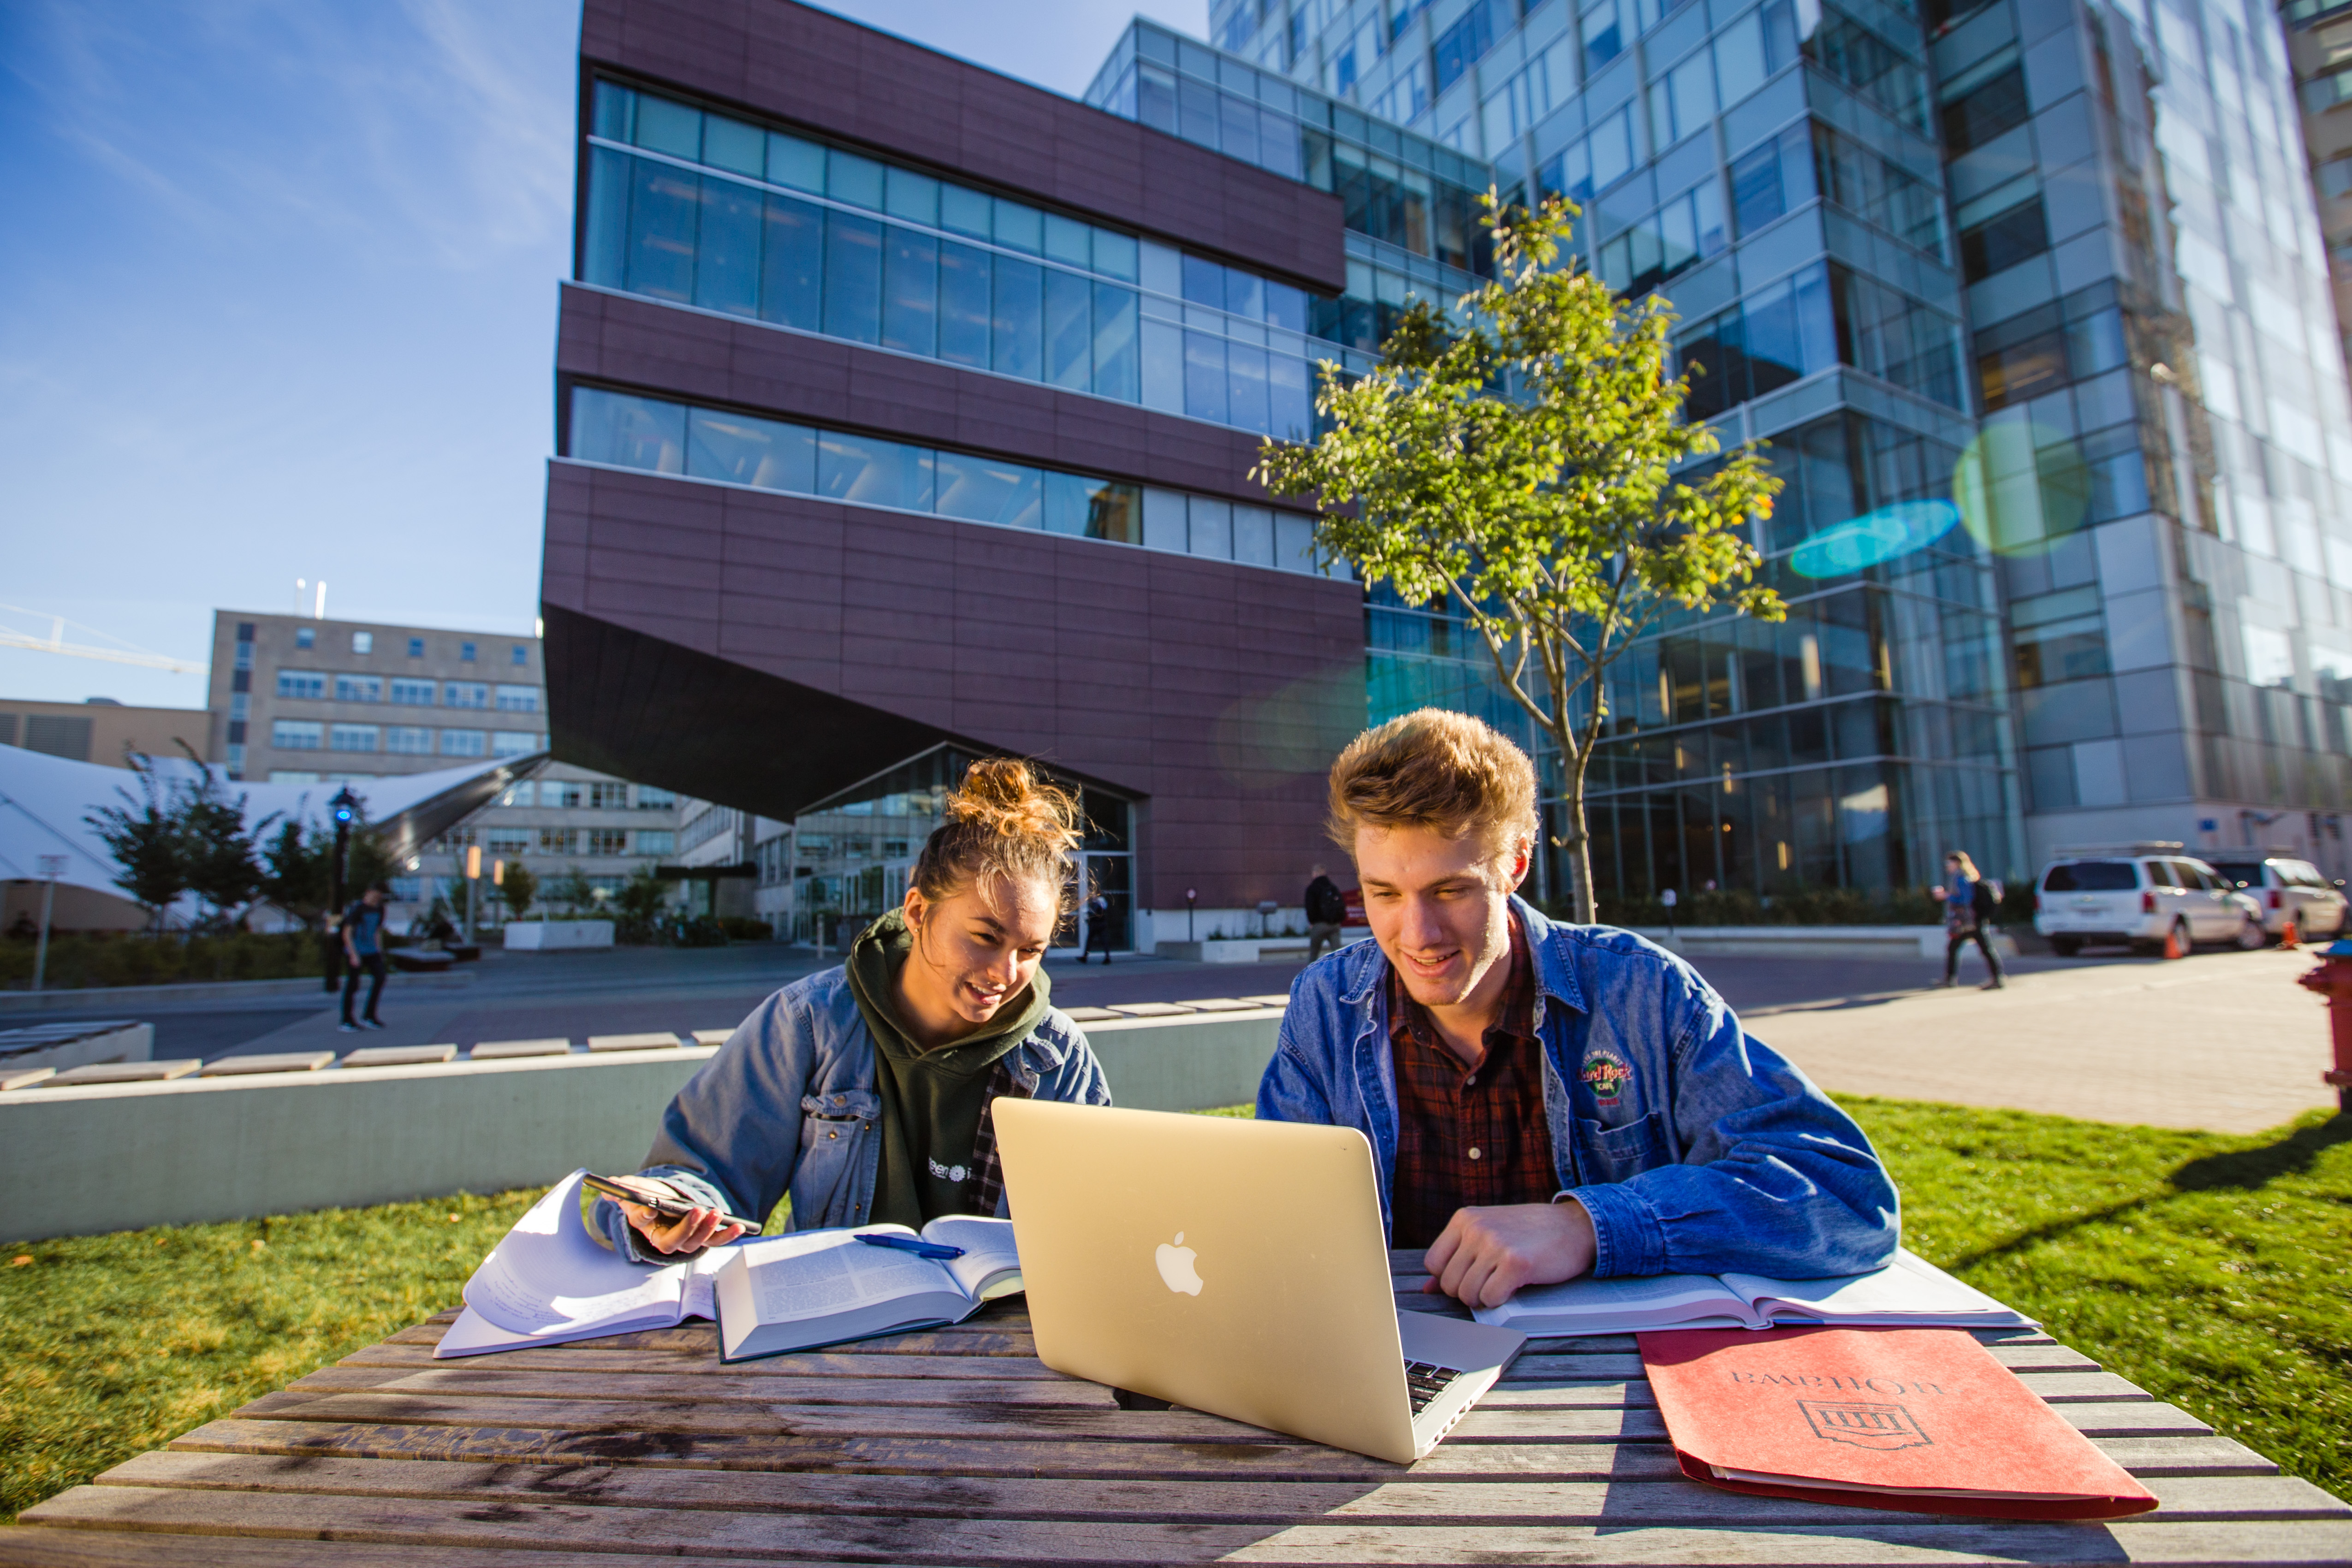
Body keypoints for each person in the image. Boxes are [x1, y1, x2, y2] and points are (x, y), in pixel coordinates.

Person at [1258, 709, 1899, 1310]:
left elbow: (1846, 1198)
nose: (1418, 933)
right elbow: (1271, 1219)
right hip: (1397, 1378)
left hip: (1614, 1396)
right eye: (1385, 894)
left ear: (1515, 866)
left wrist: (1588, 1225)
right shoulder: (1326, 1005)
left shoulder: (1643, 993)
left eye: (1450, 890)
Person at [597, 760, 1114, 1261]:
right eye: (985, 937)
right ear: (917, 912)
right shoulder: (810, 1022)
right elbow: (703, 1172)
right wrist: (666, 1215)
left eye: (1030, 951)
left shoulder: (1057, 1057)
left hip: (994, 1336)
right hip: (838, 1329)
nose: (1005, 973)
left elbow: (1099, 1220)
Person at [1936, 851, 2004, 991]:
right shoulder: (1965, 877)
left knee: (1981, 949)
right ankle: (1997, 978)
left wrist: (1947, 896)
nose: (1947, 866)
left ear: (1957, 864)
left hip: (1968, 922)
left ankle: (1997, 979)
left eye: (1949, 863)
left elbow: (1965, 900)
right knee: (1964, 948)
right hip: (1972, 921)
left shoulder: (1961, 879)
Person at [338, 884, 392, 1033]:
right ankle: (346, 1020)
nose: (376, 898)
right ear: (367, 893)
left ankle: (369, 1016)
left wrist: (380, 951)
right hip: (357, 950)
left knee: (380, 978)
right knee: (353, 985)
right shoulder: (358, 909)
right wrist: (353, 954)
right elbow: (347, 933)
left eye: (378, 895)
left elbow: (377, 931)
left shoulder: (380, 909)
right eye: (374, 894)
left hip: (372, 951)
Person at [1303, 862, 1346, 962]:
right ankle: (1340, 976)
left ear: (1315, 873)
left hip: (1319, 925)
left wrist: (1312, 922)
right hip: (1335, 925)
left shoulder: (1312, 888)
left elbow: (1310, 908)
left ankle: (1310, 977)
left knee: (1314, 955)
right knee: (1338, 955)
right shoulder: (1333, 887)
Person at [1081, 889, 1114, 964]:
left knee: (1092, 941)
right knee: (1103, 941)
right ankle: (1107, 957)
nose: (1092, 896)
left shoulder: (1098, 903)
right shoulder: (1101, 902)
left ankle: (1085, 957)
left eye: (1093, 894)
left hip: (1097, 924)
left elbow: (1096, 913)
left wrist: (1089, 913)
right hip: (1101, 924)